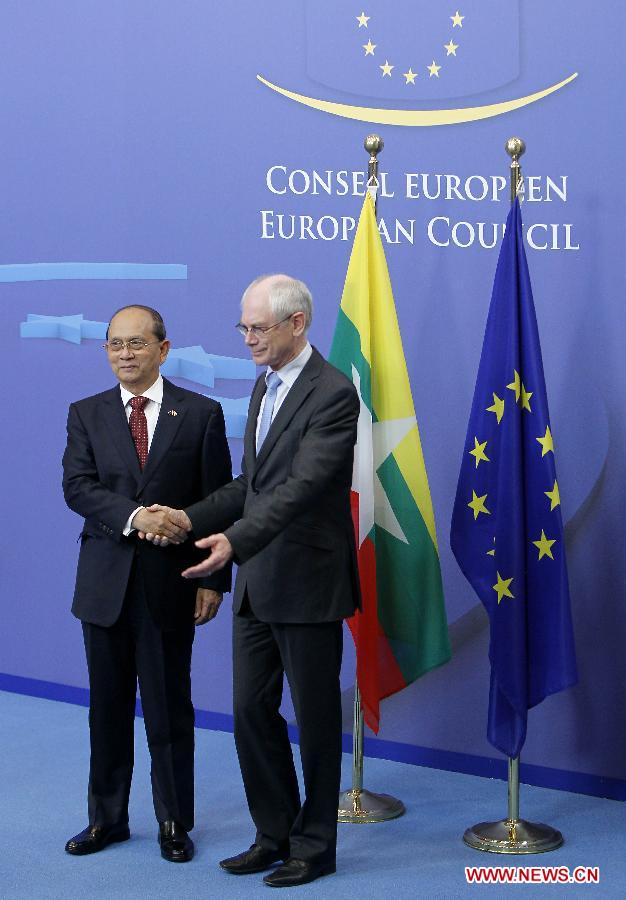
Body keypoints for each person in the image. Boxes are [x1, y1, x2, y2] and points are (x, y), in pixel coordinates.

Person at [144, 275, 360, 887]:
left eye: (258, 328)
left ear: (297, 324)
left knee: (315, 721)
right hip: (259, 583)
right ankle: (274, 834)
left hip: (310, 582)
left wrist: (234, 540)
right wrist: (189, 518)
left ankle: (315, 846)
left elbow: (302, 488)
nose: (247, 340)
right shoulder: (266, 382)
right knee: (248, 712)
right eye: (242, 328)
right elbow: (252, 485)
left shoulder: (334, 394)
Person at [62, 304, 231, 863]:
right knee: (107, 711)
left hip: (172, 584)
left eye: (136, 344)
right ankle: (106, 819)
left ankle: (173, 822)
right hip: (104, 587)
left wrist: (215, 581)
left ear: (163, 348)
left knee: (167, 709)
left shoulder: (201, 414)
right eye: (115, 345)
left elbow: (217, 499)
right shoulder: (85, 413)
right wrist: (139, 518)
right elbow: (79, 488)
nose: (125, 355)